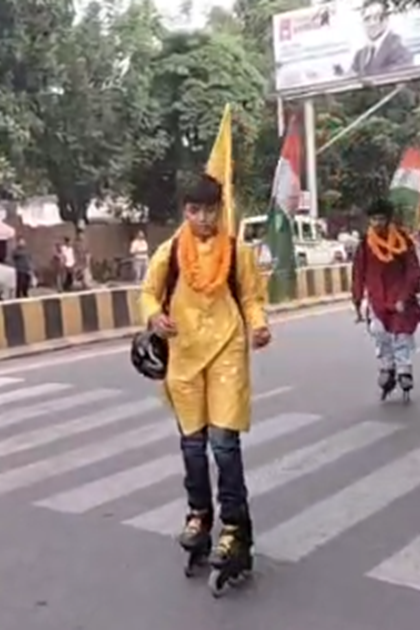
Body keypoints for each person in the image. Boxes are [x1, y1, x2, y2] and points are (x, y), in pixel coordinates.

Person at [140, 173, 271, 580]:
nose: (201, 218)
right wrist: (154, 316)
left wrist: (259, 325)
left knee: (224, 444)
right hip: (183, 357)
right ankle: (199, 515)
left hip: (227, 351)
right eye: (193, 210)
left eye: (209, 210)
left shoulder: (237, 251)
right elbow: (147, 291)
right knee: (192, 445)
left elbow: (250, 296)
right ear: (184, 211)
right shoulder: (170, 252)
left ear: (220, 210)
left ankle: (235, 528)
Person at [351, 198, 420, 393]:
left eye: (381, 219)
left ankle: (404, 370)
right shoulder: (365, 244)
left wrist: (405, 296)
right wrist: (357, 301)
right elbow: (358, 273)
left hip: (400, 295)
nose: (377, 223)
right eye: (374, 219)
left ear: (388, 219)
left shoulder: (402, 240)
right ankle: (387, 367)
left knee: (401, 333)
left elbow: (413, 270)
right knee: (379, 332)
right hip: (377, 298)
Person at [349, 1, 414, 76]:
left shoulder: (399, 52)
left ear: (386, 20)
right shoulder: (360, 56)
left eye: (376, 18)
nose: (372, 23)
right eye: (367, 19)